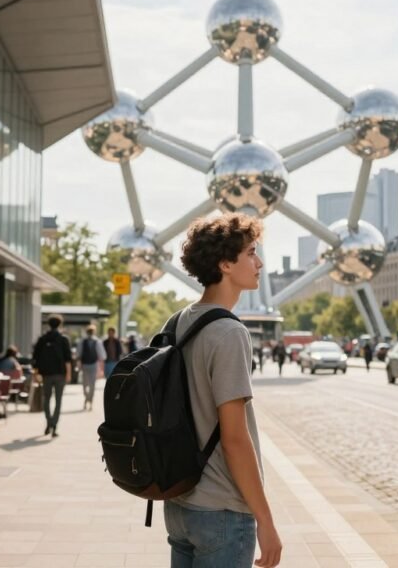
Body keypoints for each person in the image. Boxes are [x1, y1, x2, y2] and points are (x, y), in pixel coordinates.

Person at [163, 212, 282, 568]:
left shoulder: (179, 321)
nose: (259, 262)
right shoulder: (229, 332)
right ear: (225, 263)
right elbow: (234, 438)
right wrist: (265, 519)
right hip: (223, 511)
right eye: (250, 253)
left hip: (180, 502)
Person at [33, 314, 71, 436]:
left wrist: (36, 373)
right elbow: (68, 359)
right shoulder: (63, 339)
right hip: (60, 373)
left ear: (48, 324)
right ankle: (54, 425)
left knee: (46, 398)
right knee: (58, 400)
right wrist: (68, 374)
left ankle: (48, 422)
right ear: (60, 324)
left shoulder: (42, 339)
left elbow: (35, 358)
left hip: (46, 374)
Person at [78, 325, 105, 411]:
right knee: (85, 384)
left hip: (93, 364)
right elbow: (79, 354)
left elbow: (102, 355)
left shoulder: (97, 341)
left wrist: (101, 367)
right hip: (85, 365)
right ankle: (87, 398)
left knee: (91, 385)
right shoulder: (83, 341)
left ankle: (90, 400)